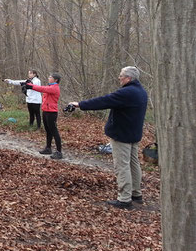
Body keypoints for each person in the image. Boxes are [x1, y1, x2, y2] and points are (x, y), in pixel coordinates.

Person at [68, 66, 148, 209]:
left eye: (121, 76)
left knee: (122, 166)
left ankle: (124, 199)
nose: (119, 78)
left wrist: (80, 104)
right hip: (133, 134)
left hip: (122, 135)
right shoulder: (141, 91)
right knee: (133, 164)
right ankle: (136, 194)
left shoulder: (127, 92)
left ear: (128, 78)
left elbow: (103, 101)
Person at [27, 73, 62, 159]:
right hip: (45, 111)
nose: (48, 78)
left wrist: (31, 86)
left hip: (52, 112)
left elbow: (42, 89)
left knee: (54, 131)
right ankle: (48, 148)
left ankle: (59, 152)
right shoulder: (50, 86)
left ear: (55, 80)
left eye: (50, 77)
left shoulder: (54, 88)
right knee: (48, 131)